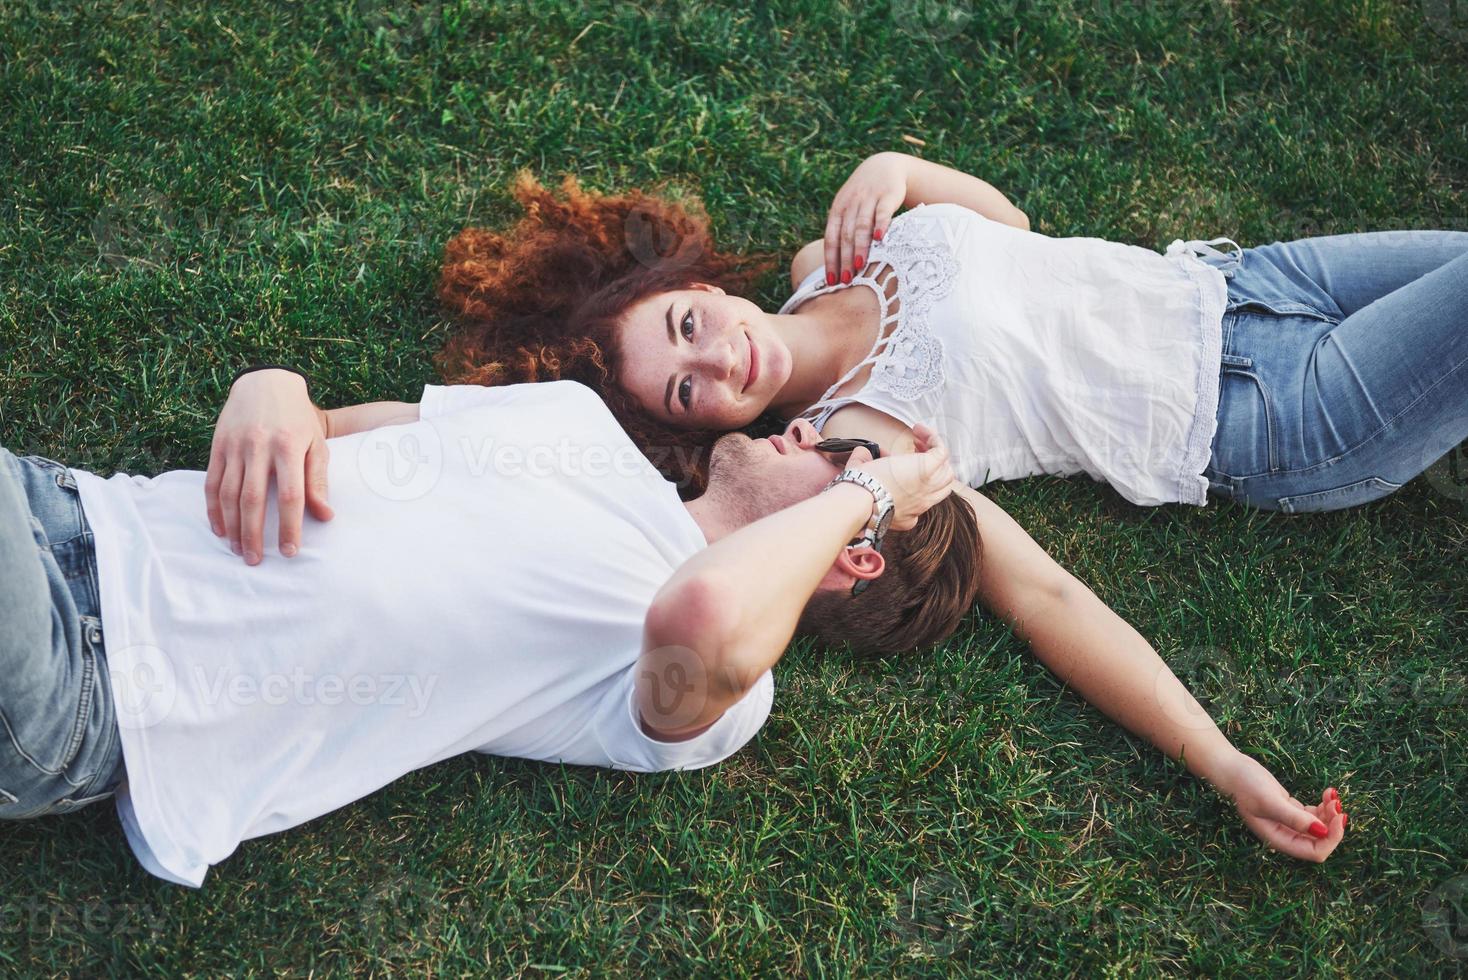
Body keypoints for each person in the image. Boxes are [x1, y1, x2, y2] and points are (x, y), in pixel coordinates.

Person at [1, 370, 978, 887]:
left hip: (96, 682)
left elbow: (710, 616)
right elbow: (319, 422)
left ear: (857, 547)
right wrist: (271, 382)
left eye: (842, 452)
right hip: (74, 504)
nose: (805, 429)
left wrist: (870, 488)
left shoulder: (728, 693)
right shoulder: (571, 416)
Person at [435, 151, 1468, 511]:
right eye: (687, 389)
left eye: (688, 323)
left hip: (1247, 282)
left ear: (696, 282)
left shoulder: (818, 264)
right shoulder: (856, 439)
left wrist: (898, 169)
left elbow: (1011, 230)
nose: (717, 357)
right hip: (1274, 417)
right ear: (693, 429)